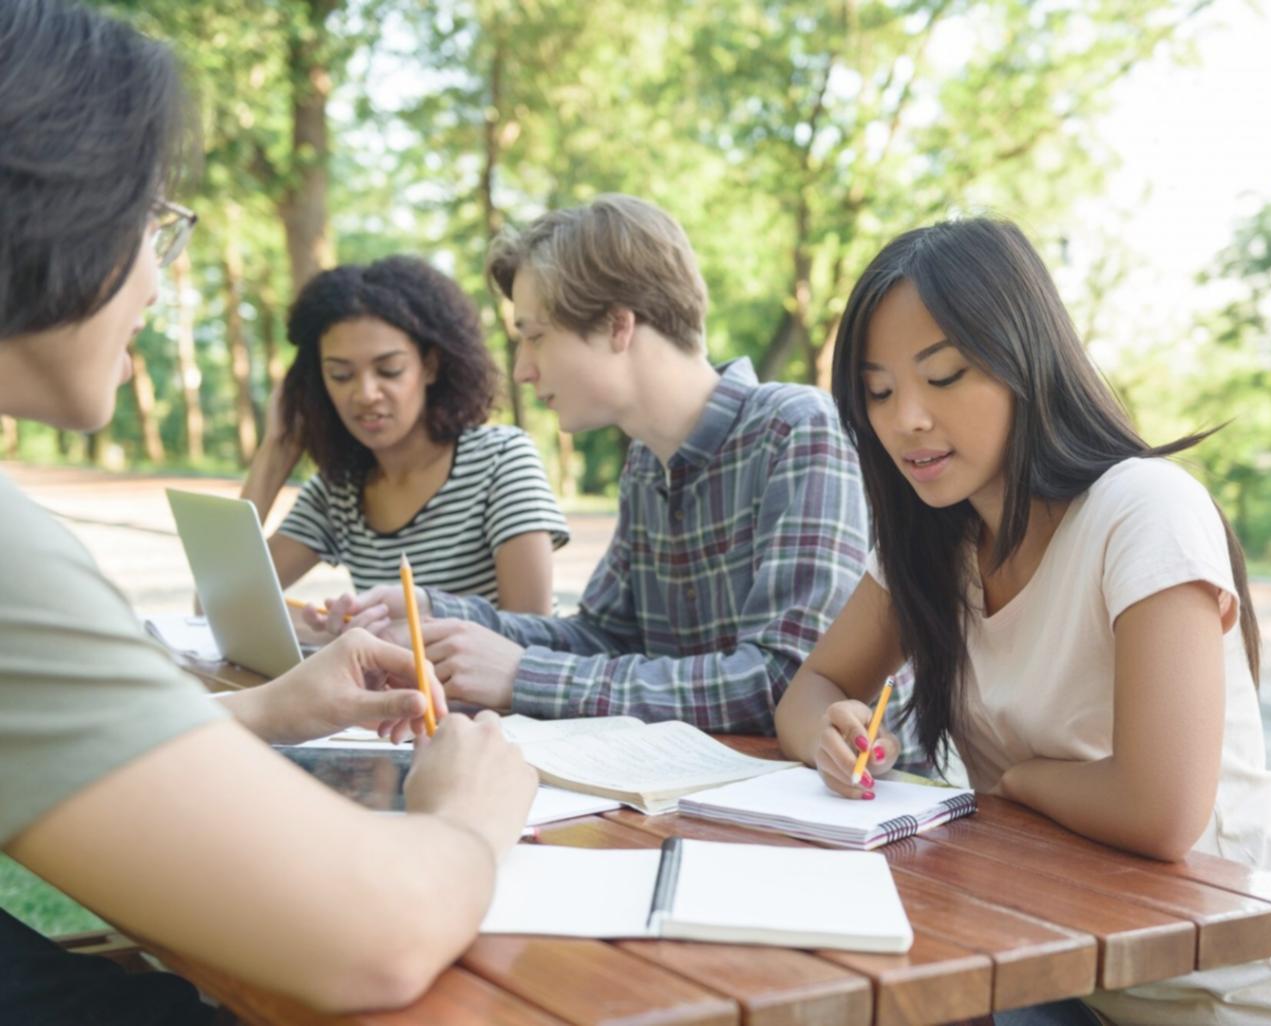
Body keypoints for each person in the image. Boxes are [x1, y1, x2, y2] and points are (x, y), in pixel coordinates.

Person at [0, 2, 535, 1021]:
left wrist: (263, 710)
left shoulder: (498, 460)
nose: (158, 283)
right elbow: (374, 939)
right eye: (151, 224)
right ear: (47, 206)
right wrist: (467, 816)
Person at [772, 218, 1271, 1025]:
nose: (906, 419)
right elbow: (812, 687)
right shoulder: (933, 543)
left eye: (944, 376)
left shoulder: (1143, 512)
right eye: (879, 393)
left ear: (1028, 363)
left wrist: (1015, 782)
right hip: (1062, 973)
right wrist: (830, 734)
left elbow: (1160, 812)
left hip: (1238, 988)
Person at [326, 194, 883, 737]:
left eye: (536, 337)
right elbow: (604, 638)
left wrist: (524, 675)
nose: (522, 370)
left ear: (619, 325)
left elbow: (785, 682)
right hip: (703, 799)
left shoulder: (799, 430)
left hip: (853, 815)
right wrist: (436, 615)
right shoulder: (647, 464)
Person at [241, 255, 569, 613]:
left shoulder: (501, 461)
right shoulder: (339, 492)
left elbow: (532, 630)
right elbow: (220, 603)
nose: (365, 394)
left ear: (430, 366)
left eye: (389, 370)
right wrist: (275, 450)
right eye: (340, 375)